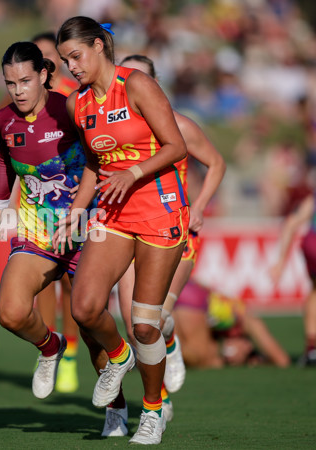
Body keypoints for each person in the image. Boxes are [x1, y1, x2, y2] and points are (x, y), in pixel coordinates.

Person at [55, 17, 189, 444]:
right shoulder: (79, 104)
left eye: (76, 56)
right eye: (65, 61)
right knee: (85, 307)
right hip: (113, 215)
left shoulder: (136, 86)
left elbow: (176, 146)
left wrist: (132, 172)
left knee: (146, 325)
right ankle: (119, 358)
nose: (72, 67)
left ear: (98, 46)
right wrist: (77, 210)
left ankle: (153, 409)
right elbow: (94, 164)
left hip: (160, 211)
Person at [116, 54, 227, 421]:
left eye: (141, 80)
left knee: (157, 317)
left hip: (174, 230)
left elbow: (216, 163)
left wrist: (200, 206)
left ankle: (172, 338)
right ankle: (158, 401)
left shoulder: (179, 125)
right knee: (137, 326)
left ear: (155, 85)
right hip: (129, 230)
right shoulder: (117, 129)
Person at [0, 41, 91, 403]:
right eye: (10, 83)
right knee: (11, 313)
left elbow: (98, 159)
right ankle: (50, 347)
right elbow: (4, 160)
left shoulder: (71, 108)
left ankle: (118, 405)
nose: (18, 91)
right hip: (36, 227)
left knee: (92, 326)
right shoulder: (4, 119)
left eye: (26, 81)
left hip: (87, 227)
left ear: (44, 75)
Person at [30, 31, 81, 394]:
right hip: (38, 206)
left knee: (71, 287)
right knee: (43, 285)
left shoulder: (72, 96)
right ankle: (50, 351)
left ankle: (73, 356)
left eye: (49, 55)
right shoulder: (23, 96)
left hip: (72, 202)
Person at [173, 279, 290, 368]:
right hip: (192, 300)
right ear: (247, 344)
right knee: (200, 359)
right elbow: (282, 359)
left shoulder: (222, 327)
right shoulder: (248, 320)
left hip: (187, 287)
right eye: (246, 353)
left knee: (178, 348)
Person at [270, 193, 316, 366]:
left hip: (312, 241)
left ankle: (312, 348)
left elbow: (292, 223)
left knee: (314, 291)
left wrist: (281, 260)